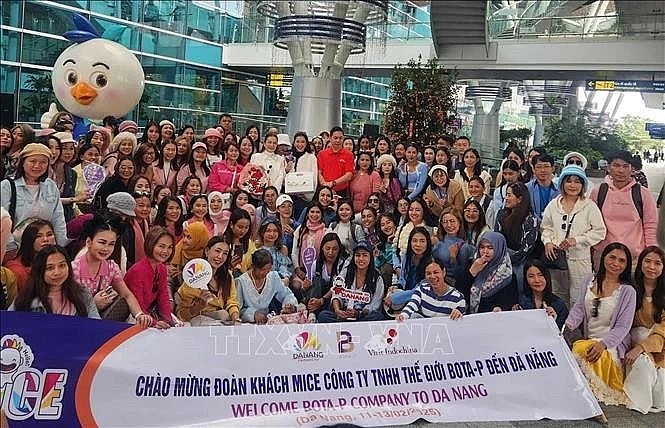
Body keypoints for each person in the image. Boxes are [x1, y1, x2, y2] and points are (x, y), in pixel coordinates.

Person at [564, 242, 637, 406]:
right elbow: (579, 308)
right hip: (589, 340)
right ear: (604, 257)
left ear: (627, 265)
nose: (616, 263)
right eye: (612, 257)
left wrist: (603, 344)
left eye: (621, 261)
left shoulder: (628, 291)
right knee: (578, 349)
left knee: (582, 350)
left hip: (611, 346)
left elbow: (623, 327)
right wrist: (565, 327)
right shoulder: (589, 280)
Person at [541, 165, 606, 306]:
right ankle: (559, 325)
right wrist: (548, 242)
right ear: (562, 183)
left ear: (583, 185)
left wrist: (576, 240)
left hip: (580, 261)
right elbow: (546, 227)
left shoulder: (589, 206)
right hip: (557, 259)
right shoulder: (553, 205)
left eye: (577, 181)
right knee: (557, 294)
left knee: (580, 298)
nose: (572, 185)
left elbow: (600, 232)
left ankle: (576, 327)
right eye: (569, 181)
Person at [71, 215, 153, 327]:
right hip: (78, 323)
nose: (106, 249)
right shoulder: (73, 269)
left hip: (104, 322)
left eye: (111, 244)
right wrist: (93, 304)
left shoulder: (111, 267)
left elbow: (127, 294)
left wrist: (139, 315)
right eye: (102, 242)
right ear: (89, 242)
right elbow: (67, 308)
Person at [590, 150, 658, 268]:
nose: (621, 170)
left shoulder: (642, 193)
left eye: (625, 166)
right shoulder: (599, 191)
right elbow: (590, 223)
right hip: (604, 255)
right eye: (616, 165)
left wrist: (651, 252)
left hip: (634, 258)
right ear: (608, 168)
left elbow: (650, 224)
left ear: (632, 169)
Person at [0, 143, 68, 252]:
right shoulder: (7, 186)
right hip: (16, 249)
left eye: (43, 162)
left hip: (45, 248)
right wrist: (11, 249)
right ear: (22, 162)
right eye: (32, 161)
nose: (37, 166)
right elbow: (2, 220)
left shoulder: (50, 186)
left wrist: (60, 247)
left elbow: (58, 218)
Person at [623, 246, 665, 414]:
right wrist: (637, 347)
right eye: (647, 261)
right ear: (640, 263)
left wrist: (643, 346)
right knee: (643, 365)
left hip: (659, 346)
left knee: (660, 385)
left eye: (658, 263)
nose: (652, 267)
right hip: (634, 346)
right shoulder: (629, 289)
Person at [9, 245, 99, 318]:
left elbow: (96, 327)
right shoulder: (25, 298)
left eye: (62, 265)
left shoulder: (82, 294)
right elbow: (9, 325)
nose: (57, 272)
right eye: (50, 268)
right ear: (40, 271)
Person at [176, 237, 241, 325]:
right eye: (217, 251)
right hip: (198, 321)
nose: (220, 256)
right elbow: (182, 315)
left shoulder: (227, 276)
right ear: (207, 251)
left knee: (224, 315)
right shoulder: (193, 277)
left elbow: (231, 301)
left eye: (225, 253)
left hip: (221, 319)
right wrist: (198, 307)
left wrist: (235, 316)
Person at [318, 241, 385, 322]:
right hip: (344, 313)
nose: (361, 259)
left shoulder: (377, 278)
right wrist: (337, 310)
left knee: (377, 316)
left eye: (365, 255)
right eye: (358, 255)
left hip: (362, 316)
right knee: (323, 315)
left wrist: (358, 313)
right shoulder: (346, 271)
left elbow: (375, 304)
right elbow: (336, 293)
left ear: (371, 257)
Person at [124, 227, 175, 328]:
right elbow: (138, 303)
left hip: (149, 315)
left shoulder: (162, 268)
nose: (166, 251)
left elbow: (163, 296)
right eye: (161, 246)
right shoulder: (137, 270)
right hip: (133, 317)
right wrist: (155, 323)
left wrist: (167, 320)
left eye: (170, 247)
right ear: (151, 245)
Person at [455, 232, 518, 314]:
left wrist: (500, 307)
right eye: (482, 247)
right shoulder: (472, 264)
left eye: (490, 247)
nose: (485, 251)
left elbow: (509, 300)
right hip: (470, 318)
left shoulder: (508, 274)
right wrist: (471, 272)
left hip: (494, 321)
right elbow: (458, 291)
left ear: (499, 248)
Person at [494, 182, 540, 294]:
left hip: (521, 258)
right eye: (506, 194)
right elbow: (497, 239)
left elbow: (525, 249)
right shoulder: (501, 214)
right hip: (503, 254)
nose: (506, 198)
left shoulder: (530, 219)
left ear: (519, 199)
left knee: (517, 276)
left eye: (509, 195)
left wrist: (509, 260)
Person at [236, 249, 298, 324]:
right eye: (262, 269)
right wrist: (253, 314)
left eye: (268, 269)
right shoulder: (241, 281)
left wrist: (290, 305)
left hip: (268, 321)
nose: (266, 272)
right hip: (248, 324)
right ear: (253, 267)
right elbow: (238, 309)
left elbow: (287, 295)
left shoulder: (273, 277)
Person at [397, 258, 466, 320]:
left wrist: (458, 314)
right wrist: (403, 316)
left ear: (443, 272)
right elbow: (411, 306)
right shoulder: (421, 289)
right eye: (428, 273)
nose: (432, 276)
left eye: (436, 272)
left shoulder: (458, 298)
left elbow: (463, 322)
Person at [385, 226, 431, 314]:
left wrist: (394, 297)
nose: (418, 244)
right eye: (414, 240)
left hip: (421, 301)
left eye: (422, 241)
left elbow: (419, 291)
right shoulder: (406, 257)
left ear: (427, 243)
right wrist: (396, 287)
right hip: (405, 296)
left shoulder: (431, 263)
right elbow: (402, 279)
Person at [514, 260, 569, 329]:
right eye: (531, 276)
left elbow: (564, 332)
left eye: (540, 275)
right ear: (526, 279)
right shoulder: (520, 301)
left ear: (547, 276)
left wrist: (554, 320)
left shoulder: (559, 305)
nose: (537, 280)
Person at [5, 219, 56, 292]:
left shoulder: (59, 262)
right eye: (38, 236)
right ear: (29, 239)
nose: (45, 239)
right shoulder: (16, 271)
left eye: (49, 235)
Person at [432, 208, 472, 283]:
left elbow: (460, 276)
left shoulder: (463, 246)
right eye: (445, 222)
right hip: (434, 277)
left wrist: (453, 257)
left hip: (450, 283)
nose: (449, 225)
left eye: (452, 221)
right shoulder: (437, 240)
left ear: (459, 222)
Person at [292, 202, 328, 282]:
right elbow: (294, 252)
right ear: (307, 214)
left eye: (318, 212)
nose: (315, 215)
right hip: (302, 270)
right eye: (312, 212)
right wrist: (298, 269)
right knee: (296, 286)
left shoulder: (326, 231)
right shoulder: (300, 230)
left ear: (322, 214)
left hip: (319, 270)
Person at [168, 222, 209, 291]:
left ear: (199, 239)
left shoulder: (207, 255)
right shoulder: (178, 250)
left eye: (189, 237)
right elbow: (170, 280)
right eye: (184, 236)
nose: (184, 240)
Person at [317, 126, 355, 196]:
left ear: (343, 139)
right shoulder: (321, 154)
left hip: (342, 191)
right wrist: (326, 186)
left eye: (340, 138)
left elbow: (349, 175)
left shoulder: (349, 155)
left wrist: (333, 183)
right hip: (324, 190)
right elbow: (319, 173)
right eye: (335, 138)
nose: (338, 140)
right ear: (330, 138)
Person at [256, 218, 294, 288]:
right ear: (262, 232)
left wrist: (286, 278)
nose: (272, 234)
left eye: (275, 231)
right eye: (268, 231)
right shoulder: (256, 248)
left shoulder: (283, 249)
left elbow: (283, 268)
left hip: (279, 282)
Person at [526, 153, 559, 219]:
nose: (542, 170)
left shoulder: (559, 190)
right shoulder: (527, 188)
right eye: (539, 167)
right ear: (533, 169)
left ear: (553, 169)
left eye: (546, 166)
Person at [223, 208, 256, 275]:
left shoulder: (249, 243)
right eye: (240, 227)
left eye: (246, 227)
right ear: (232, 224)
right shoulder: (222, 242)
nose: (243, 231)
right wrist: (229, 266)